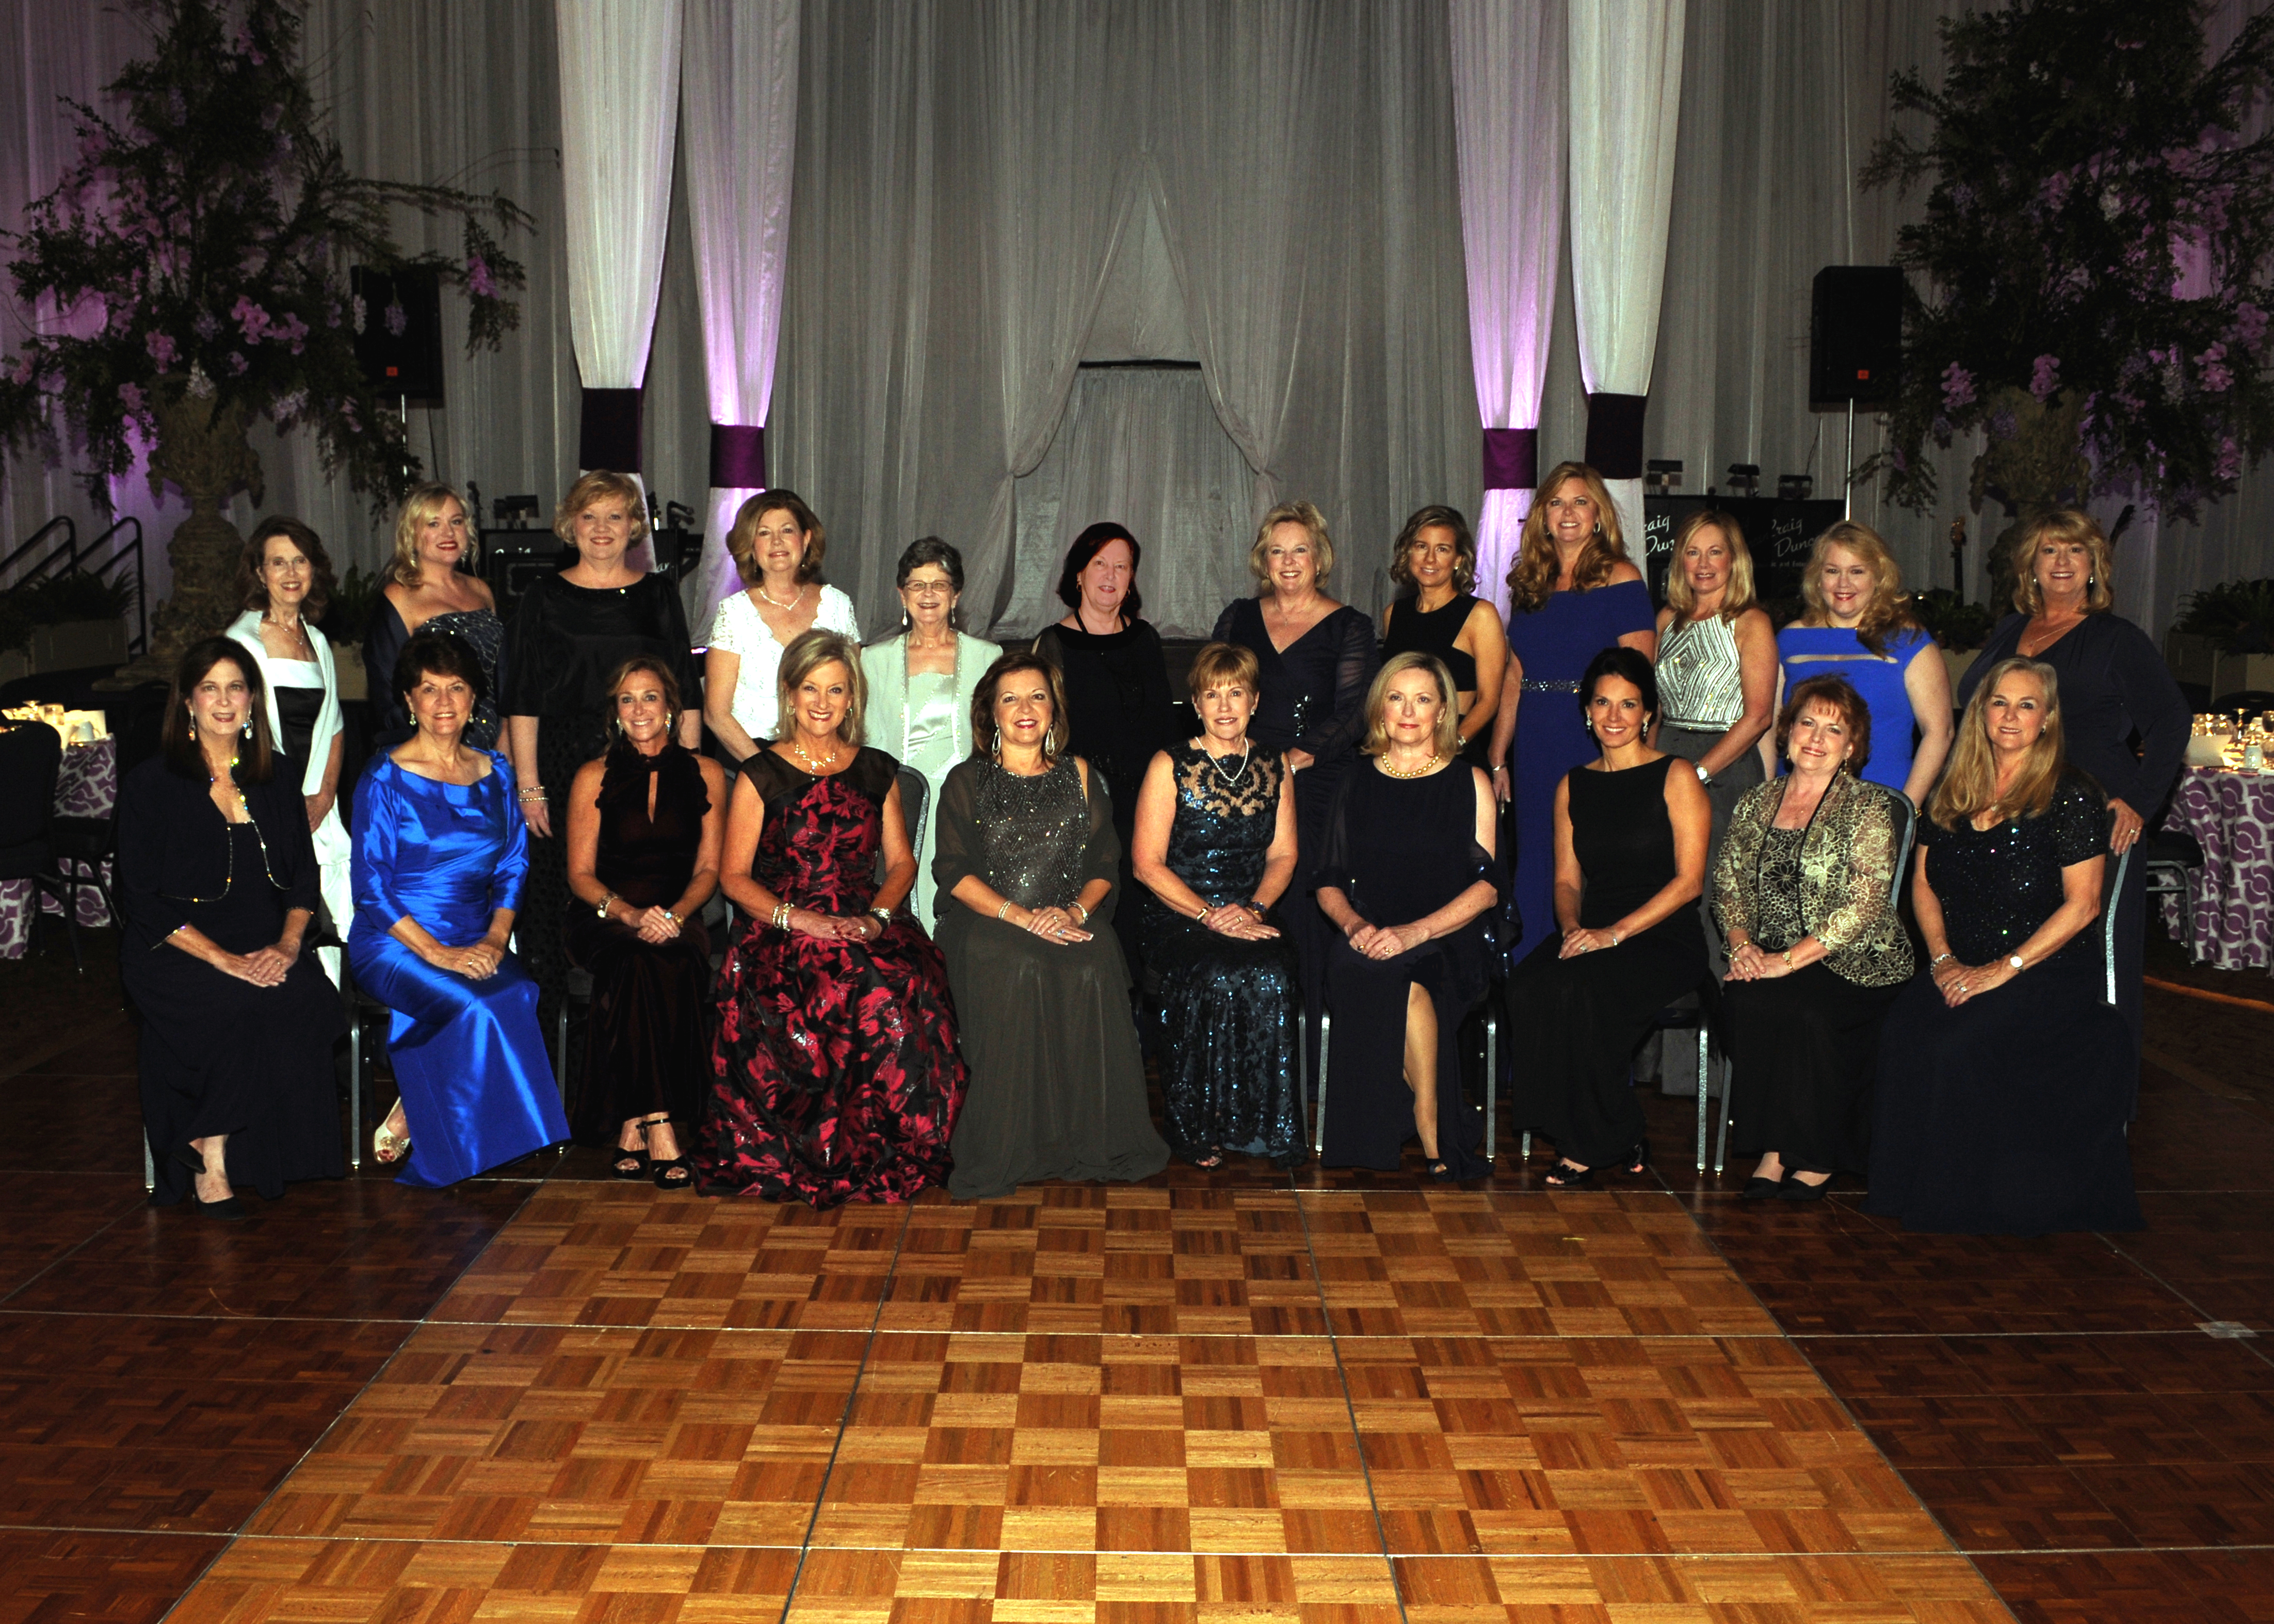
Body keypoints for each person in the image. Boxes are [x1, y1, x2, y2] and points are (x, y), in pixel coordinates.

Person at [1867, 657, 2142, 1235]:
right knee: (1901, 1032)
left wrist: (2003, 968)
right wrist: (1941, 960)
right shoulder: (1954, 790)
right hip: (1960, 961)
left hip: (2046, 968)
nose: (2010, 716)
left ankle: (1955, 1202)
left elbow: (2084, 904)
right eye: (1999, 703)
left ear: (2046, 719)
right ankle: (1902, 1191)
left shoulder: (2069, 794)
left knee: (1955, 1046)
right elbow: (1922, 883)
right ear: (1981, 715)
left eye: (2026, 705)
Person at [696, 631, 966, 1206]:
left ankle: (894, 1145)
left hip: (864, 915)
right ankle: (826, 1148)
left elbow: (901, 862)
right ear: (789, 694)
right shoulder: (759, 773)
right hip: (780, 924)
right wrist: (802, 920)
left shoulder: (876, 770)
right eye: (811, 688)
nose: (823, 702)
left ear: (852, 699)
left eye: (836, 689)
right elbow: (734, 878)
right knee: (849, 984)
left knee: (908, 982)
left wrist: (877, 917)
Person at [1956, 509, 2187, 1079]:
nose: (2062, 562)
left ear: (2095, 567)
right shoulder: (2012, 628)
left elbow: (2171, 721)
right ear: (2029, 566)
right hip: (2011, 813)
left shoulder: (2115, 638)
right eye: (2049, 551)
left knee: (2101, 960)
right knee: (2017, 951)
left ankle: (2104, 1096)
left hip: (2094, 817)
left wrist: (2140, 800)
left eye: (2076, 552)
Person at [118, 638, 344, 1216]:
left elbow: (301, 879)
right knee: (240, 1005)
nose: (224, 701)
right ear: (188, 701)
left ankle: (204, 1135)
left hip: (267, 938)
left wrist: (289, 946)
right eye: (210, 688)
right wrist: (224, 959)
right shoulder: (152, 782)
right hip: (175, 946)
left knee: (314, 1001)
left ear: (252, 699)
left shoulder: (277, 775)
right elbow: (140, 899)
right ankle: (214, 1163)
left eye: (236, 687)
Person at [933, 651, 1170, 1198]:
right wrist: (1019, 916)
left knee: (1095, 958)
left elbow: (1104, 863)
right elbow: (953, 870)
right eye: (1010, 697)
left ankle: (1091, 1138)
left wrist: (1074, 913)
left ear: (1054, 709)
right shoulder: (966, 780)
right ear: (990, 712)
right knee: (1022, 964)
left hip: (1067, 914)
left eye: (1037, 696)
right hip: (988, 919)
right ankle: (1013, 1146)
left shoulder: (1081, 774)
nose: (1025, 708)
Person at [349, 632, 570, 1187]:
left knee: (519, 991)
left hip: (477, 933)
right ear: (409, 700)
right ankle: (442, 1144)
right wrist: (440, 954)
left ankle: (420, 1111)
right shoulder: (384, 776)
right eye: (429, 690)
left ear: (475, 700)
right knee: (475, 1007)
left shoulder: (497, 772)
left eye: (457, 688)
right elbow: (371, 889)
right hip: (396, 940)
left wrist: (496, 940)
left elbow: (514, 866)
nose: (444, 702)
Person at [1507, 647, 1710, 1187]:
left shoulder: (1676, 775)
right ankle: (1614, 1125)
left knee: (1588, 990)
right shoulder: (1572, 784)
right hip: (1593, 928)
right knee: (1530, 986)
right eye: (1602, 702)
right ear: (1586, 711)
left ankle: (1588, 1144)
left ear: (1648, 713)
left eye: (1628, 704)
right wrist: (1573, 927)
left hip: (1663, 935)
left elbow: (1689, 882)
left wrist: (1616, 934)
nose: (1614, 716)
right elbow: (1567, 880)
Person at [503, 470, 703, 994]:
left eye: (615, 516)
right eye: (589, 516)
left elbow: (685, 689)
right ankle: (554, 1049)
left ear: (635, 525)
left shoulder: (659, 594)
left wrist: (690, 775)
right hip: (562, 762)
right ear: (570, 524)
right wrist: (529, 786)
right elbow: (522, 698)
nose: (602, 528)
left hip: (647, 762)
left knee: (644, 886)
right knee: (555, 901)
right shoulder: (541, 596)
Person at [1715, 677, 1914, 1201]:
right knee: (1745, 999)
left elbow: (1867, 900)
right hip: (1772, 951)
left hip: (1858, 958)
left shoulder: (1868, 806)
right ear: (1787, 732)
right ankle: (1775, 1149)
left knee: (1806, 1011)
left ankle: (1818, 1153)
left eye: (1834, 729)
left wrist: (1789, 960)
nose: (1817, 738)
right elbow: (1728, 881)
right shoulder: (1757, 799)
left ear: (1852, 747)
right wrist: (1742, 948)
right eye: (1807, 723)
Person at [1312, 653, 1501, 1179]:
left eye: (1423, 699)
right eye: (1396, 698)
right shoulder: (1354, 781)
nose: (1409, 711)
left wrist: (1415, 932)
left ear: (1444, 711)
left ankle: (1426, 1118)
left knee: (1409, 974)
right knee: (1359, 966)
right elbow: (1327, 880)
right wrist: (1355, 927)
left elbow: (1488, 890)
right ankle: (1439, 1117)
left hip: (1449, 934)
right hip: (1368, 929)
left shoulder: (1471, 783)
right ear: (1379, 710)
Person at [1211, 501, 1379, 1066]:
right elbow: (1216, 691)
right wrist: (1250, 767)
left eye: (1299, 549)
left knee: (1305, 914)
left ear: (1319, 557)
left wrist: (1295, 760)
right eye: (1277, 550)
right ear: (1263, 558)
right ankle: (1248, 1061)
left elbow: (1357, 712)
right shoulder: (1238, 617)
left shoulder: (1349, 625)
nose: (1288, 561)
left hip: (1318, 782)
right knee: (1236, 899)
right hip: (1240, 779)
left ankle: (1309, 1066)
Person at [1130, 642, 1304, 1169]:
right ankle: (1193, 1125)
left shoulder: (1276, 766)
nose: (1225, 705)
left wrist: (1251, 909)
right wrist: (1209, 915)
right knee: (1214, 972)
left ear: (1254, 701)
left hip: (1251, 911)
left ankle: (1266, 1130)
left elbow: (1285, 854)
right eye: (1212, 694)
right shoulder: (1170, 764)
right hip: (1178, 914)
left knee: (1273, 972)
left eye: (1236, 693)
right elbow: (1146, 865)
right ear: (1196, 704)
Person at [563, 657, 728, 1189]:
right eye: (627, 699)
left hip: (681, 910)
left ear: (672, 707)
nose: (640, 709)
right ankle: (661, 1124)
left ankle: (632, 1123)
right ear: (615, 711)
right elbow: (581, 876)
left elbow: (709, 868)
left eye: (650, 697)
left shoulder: (705, 773)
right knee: (636, 956)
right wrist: (631, 914)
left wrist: (676, 916)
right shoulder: (593, 775)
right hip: (606, 914)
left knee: (662, 958)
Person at [1488, 462, 1658, 962]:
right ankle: (1533, 974)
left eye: (1580, 502)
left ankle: (1586, 965)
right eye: (1558, 503)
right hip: (1535, 739)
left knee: (1586, 855)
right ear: (1542, 515)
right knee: (1537, 856)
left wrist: (1635, 761)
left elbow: (1640, 681)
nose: (1568, 513)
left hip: (1592, 736)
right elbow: (1515, 676)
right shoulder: (1530, 581)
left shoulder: (1621, 577)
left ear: (1599, 515)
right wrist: (1498, 756)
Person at [1033, 522, 1176, 973]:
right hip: (1083, 806)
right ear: (1078, 572)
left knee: (1142, 923)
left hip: (1146, 803)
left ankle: (1138, 1030)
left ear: (1132, 578)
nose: (1110, 575)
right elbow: (1041, 737)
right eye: (1100, 564)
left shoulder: (1146, 639)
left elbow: (1164, 730)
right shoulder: (1052, 644)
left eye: (1122, 566)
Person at [225, 516, 351, 985]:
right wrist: (284, 808)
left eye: (300, 560)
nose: (291, 572)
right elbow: (236, 737)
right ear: (259, 573)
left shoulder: (317, 641)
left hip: (319, 804)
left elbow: (335, 729)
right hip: (266, 802)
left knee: (334, 926)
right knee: (281, 923)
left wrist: (322, 799)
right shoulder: (241, 644)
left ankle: (336, 1041)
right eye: (278, 562)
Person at [860, 538, 1001, 926]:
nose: (928, 594)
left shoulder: (988, 658)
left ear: (955, 595)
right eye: (917, 585)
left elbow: (996, 741)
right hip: (899, 802)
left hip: (967, 802)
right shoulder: (873, 660)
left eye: (938, 584)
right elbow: (869, 744)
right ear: (901, 594)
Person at [1777, 522, 1953, 805]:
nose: (1843, 584)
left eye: (1857, 571)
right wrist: (1767, 793)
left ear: (1879, 578)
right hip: (1796, 803)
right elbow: (1770, 728)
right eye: (1832, 571)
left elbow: (1940, 733)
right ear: (1817, 578)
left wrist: (1906, 809)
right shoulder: (1790, 640)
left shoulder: (1909, 642)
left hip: (1881, 803)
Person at [704, 489, 862, 762]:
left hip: (824, 753)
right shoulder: (733, 612)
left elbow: (851, 695)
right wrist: (770, 773)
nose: (777, 541)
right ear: (751, 546)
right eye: (764, 533)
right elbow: (716, 714)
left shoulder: (838, 605)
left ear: (807, 538)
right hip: (751, 758)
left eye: (787, 530)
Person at [363, 483, 506, 750]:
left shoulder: (481, 590)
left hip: (493, 748)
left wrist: (506, 741)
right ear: (413, 535)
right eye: (433, 524)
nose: (448, 533)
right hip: (429, 750)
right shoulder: (400, 595)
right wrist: (423, 756)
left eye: (456, 521)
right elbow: (388, 692)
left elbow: (502, 679)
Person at [1378, 504, 1508, 766]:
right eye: (1421, 546)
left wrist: (1449, 746)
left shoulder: (1480, 615)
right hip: (1399, 753)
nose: (1430, 559)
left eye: (1442, 549)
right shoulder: (1394, 613)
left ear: (1459, 559)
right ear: (1408, 552)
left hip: (1454, 754)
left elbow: (1490, 700)